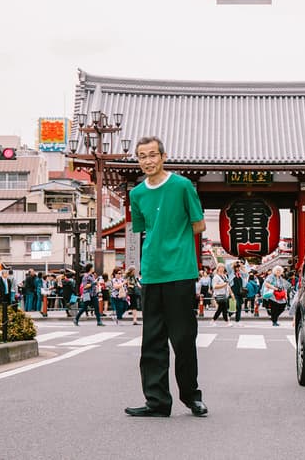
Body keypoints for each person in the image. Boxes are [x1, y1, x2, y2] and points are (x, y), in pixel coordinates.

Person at [125, 135, 208, 418]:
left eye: (152, 155)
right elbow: (142, 228)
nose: (147, 161)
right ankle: (157, 401)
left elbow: (198, 225)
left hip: (180, 271)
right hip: (151, 274)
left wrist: (174, 239)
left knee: (183, 339)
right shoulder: (136, 194)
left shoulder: (182, 186)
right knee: (152, 341)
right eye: (141, 156)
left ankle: (191, 397)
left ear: (163, 156)